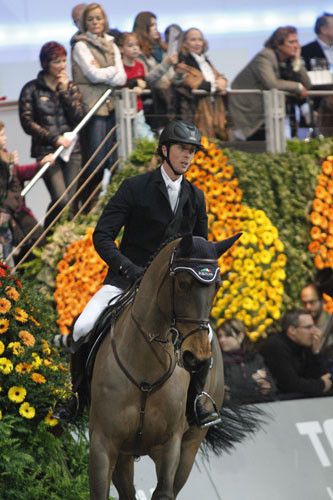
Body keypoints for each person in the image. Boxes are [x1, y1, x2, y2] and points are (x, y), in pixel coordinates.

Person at [53, 120, 221, 428]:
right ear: (165, 150)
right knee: (83, 325)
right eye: (182, 149)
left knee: (205, 336)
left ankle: (196, 400)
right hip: (125, 280)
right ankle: (75, 396)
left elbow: (200, 250)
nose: (187, 156)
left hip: (172, 293)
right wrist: (128, 269)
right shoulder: (134, 188)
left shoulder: (195, 197)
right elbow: (102, 236)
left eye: (192, 151)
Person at [19, 41, 84, 231]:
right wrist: (53, 138)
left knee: (70, 202)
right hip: (47, 152)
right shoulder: (31, 89)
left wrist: (64, 92)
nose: (62, 66)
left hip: (72, 151)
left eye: (64, 61)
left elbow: (79, 117)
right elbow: (27, 122)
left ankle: (61, 241)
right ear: (46, 63)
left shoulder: (70, 87)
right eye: (57, 61)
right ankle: (47, 237)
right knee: (61, 200)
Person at [71, 3, 126, 211]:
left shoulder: (111, 43)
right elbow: (93, 75)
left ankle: (108, 206)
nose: (95, 23)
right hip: (92, 107)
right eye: (91, 19)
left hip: (111, 106)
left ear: (105, 21)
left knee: (113, 160)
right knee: (95, 162)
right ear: (85, 22)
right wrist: (111, 72)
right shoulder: (80, 45)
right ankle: (85, 206)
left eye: (98, 18)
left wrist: (106, 72)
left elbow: (122, 77)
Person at [229, 26, 311, 141]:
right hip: (251, 115)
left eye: (297, 41)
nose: (296, 46)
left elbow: (307, 84)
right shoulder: (265, 56)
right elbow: (271, 83)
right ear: (278, 44)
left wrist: (297, 61)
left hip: (270, 113)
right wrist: (297, 87)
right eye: (291, 42)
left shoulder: (289, 59)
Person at [0, 121, 54, 265]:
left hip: (13, 210)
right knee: (12, 253)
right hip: (7, 215)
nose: (5, 138)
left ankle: (23, 278)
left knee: (36, 239)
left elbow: (17, 178)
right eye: (2, 135)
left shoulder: (6, 157)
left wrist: (40, 165)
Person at [260, 309, 332, 398]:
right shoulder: (275, 346)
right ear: (292, 330)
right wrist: (321, 385)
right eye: (309, 327)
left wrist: (315, 352)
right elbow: (290, 384)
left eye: (314, 326)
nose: (315, 332)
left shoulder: (304, 344)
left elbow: (319, 376)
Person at [176, 28, 228, 140]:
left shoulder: (205, 60)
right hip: (195, 109)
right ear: (185, 43)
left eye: (200, 39)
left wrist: (223, 82)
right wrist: (216, 86)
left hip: (214, 105)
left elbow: (218, 76)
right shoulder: (183, 61)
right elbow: (192, 82)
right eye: (193, 39)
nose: (197, 43)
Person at [133, 11, 179, 131]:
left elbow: (170, 79)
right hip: (152, 104)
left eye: (156, 25)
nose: (156, 29)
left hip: (168, 102)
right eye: (152, 25)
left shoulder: (162, 49)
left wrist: (179, 74)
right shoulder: (138, 51)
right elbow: (146, 78)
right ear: (144, 28)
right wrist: (166, 64)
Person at [218, 318, 276, 404]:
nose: (221, 340)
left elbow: (272, 388)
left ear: (240, 336)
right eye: (220, 336)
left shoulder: (254, 357)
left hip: (260, 408)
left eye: (227, 336)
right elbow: (224, 393)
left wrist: (265, 387)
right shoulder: (219, 361)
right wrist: (254, 383)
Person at [117, 32, 155, 141]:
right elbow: (119, 84)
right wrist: (134, 84)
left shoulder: (140, 65)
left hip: (138, 107)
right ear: (121, 48)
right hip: (122, 109)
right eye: (130, 46)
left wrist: (141, 86)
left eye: (137, 45)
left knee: (142, 134)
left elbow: (143, 83)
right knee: (126, 138)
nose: (135, 49)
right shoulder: (119, 66)